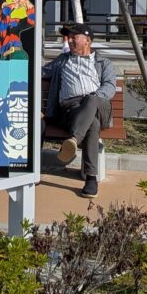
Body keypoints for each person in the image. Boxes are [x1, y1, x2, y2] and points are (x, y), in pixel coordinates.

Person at [42, 23, 116, 198]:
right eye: (69, 38)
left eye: (74, 37)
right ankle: (91, 179)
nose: (70, 41)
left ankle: (74, 139)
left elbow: (110, 87)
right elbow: (41, 72)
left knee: (91, 100)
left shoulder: (103, 63)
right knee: (92, 125)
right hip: (71, 110)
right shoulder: (62, 61)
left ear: (87, 40)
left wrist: (93, 97)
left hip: (98, 105)